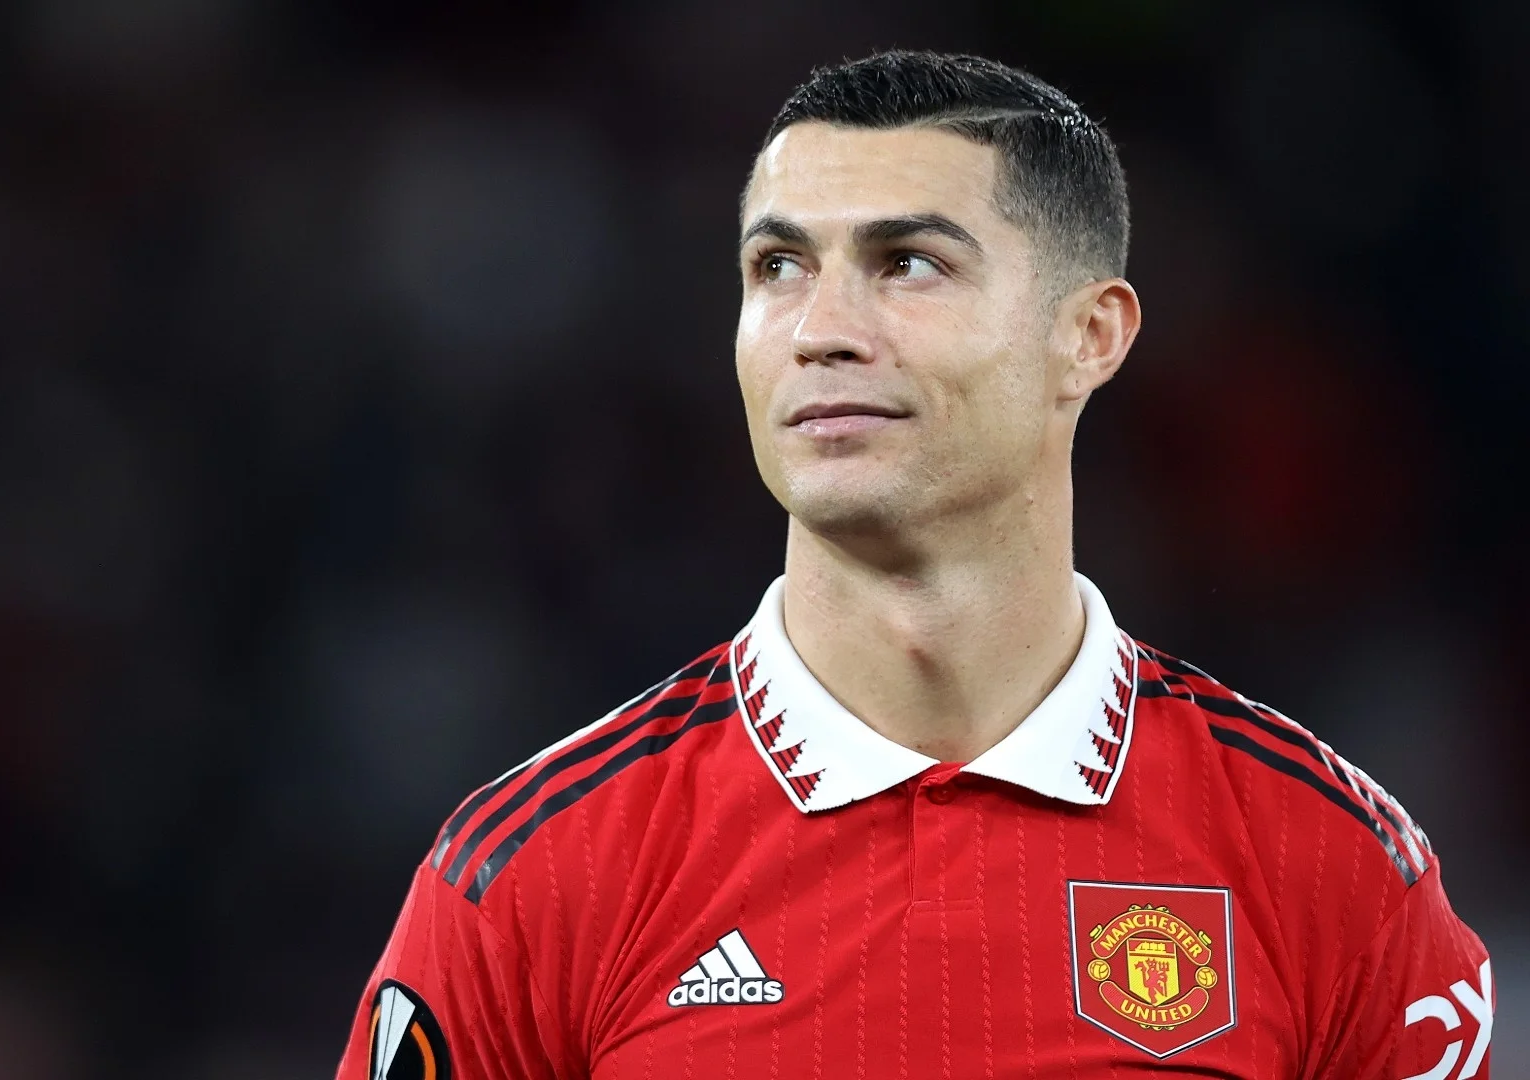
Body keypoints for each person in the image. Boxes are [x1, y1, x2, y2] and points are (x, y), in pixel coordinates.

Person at [336, 50, 1492, 1078]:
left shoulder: (1331, 868)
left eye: (909, 264)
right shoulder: (534, 876)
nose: (820, 329)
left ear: (1088, 336)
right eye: (778, 266)